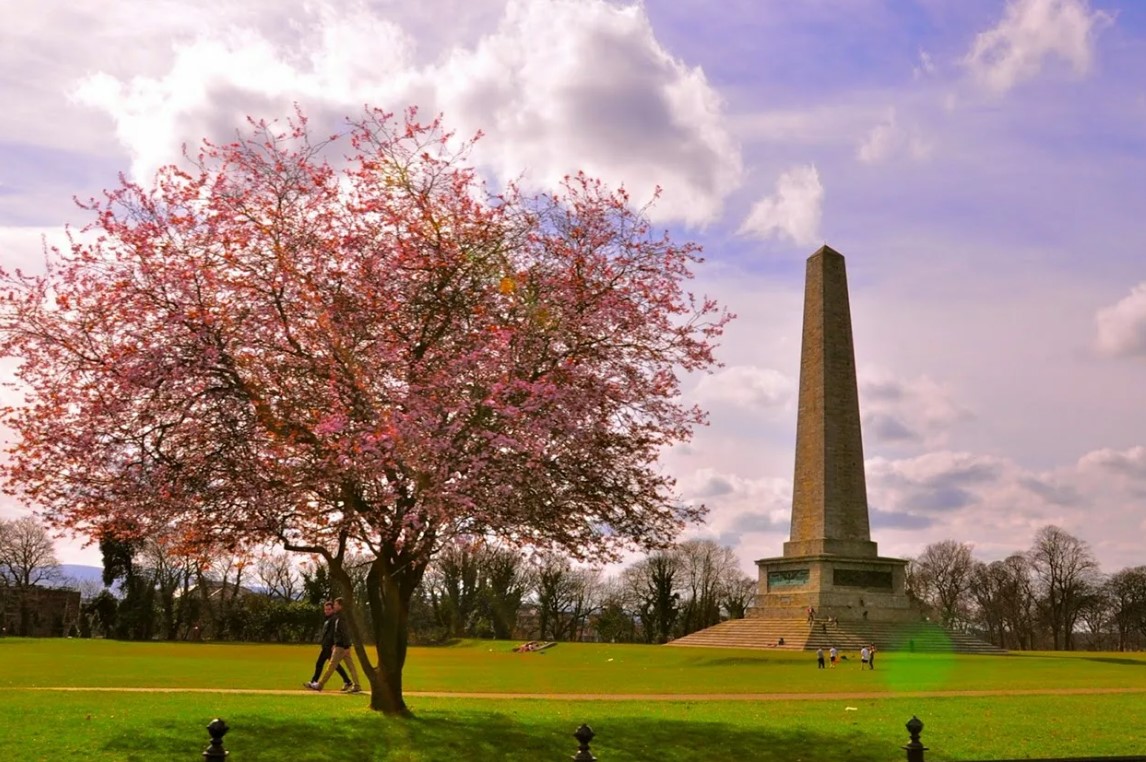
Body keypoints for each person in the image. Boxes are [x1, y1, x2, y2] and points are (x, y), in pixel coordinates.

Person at [309, 598, 362, 693]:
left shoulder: (340, 618)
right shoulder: (341, 616)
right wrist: (348, 646)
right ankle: (356, 685)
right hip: (343, 646)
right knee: (351, 667)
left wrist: (346, 646)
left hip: (340, 646)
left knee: (331, 666)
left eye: (336, 604)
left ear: (340, 606)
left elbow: (344, 633)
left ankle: (320, 685)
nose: (334, 606)